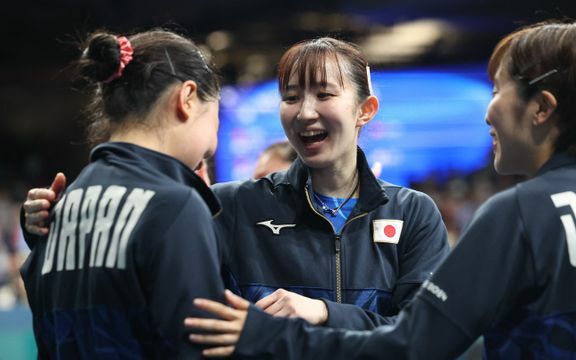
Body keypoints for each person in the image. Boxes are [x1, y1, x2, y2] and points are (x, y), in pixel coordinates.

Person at [183, 20, 576, 358]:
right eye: (290, 96)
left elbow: (416, 342)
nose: (487, 112)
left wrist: (271, 330)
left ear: (541, 109)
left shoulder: (513, 213)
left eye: (497, 89)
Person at [23, 37, 450, 332]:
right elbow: (134, 267)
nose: (304, 112)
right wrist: (55, 226)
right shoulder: (228, 206)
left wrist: (325, 313)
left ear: (365, 110)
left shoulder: (412, 213)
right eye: (290, 97)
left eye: (323, 94)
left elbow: (430, 334)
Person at [19, 29, 225, 358]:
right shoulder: (175, 206)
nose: (212, 146)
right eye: (215, 119)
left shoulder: (57, 211)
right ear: (186, 99)